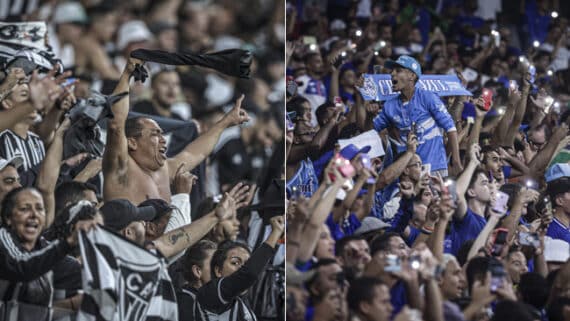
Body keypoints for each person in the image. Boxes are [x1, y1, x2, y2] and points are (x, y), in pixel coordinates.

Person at [102, 57, 250, 205]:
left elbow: (195, 153)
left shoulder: (165, 171)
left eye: (161, 133)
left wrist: (225, 123)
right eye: (155, 134)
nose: (164, 139)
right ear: (132, 142)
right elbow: (116, 125)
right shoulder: (120, 168)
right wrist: (127, 75)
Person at [0, 187, 97, 319]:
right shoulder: (3, 238)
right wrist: (68, 243)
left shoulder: (42, 247)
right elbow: (22, 267)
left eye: (39, 209)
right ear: (8, 217)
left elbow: (39, 312)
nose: (34, 215)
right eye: (25, 209)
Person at [372, 55, 461, 177]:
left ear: (412, 76)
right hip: (407, 172)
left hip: (434, 168)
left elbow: (450, 128)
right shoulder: (389, 105)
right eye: (392, 71)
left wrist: (455, 160)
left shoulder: (428, 97)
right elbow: (371, 130)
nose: (392, 74)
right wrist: (367, 114)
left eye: (398, 71)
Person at [194, 215, 284, 321]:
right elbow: (248, 273)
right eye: (235, 262)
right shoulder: (209, 293)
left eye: (246, 264)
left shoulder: (244, 307)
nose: (241, 269)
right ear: (218, 271)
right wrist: (275, 233)